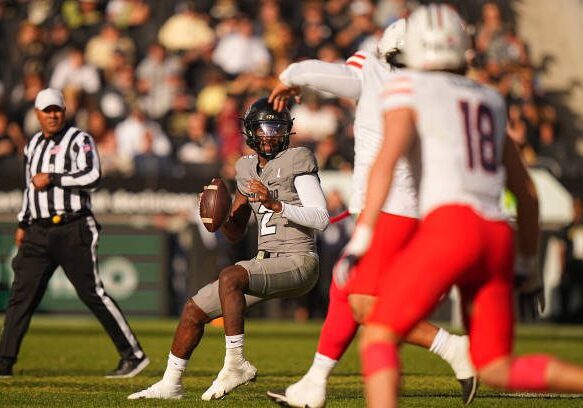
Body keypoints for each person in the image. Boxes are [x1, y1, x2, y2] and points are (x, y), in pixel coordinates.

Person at [347, 6, 583, 407]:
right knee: (495, 367)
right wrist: (527, 266)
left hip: (451, 227)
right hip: (497, 235)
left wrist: (361, 238)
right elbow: (526, 194)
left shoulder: (407, 88)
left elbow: (384, 163)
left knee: (378, 334)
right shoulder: (488, 99)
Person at [266, 19, 476, 408]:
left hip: (388, 211)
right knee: (344, 292)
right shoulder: (441, 88)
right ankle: (313, 383)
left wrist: (288, 76)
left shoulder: (376, 72)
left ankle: (453, 348)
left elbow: (317, 71)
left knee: (365, 305)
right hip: (415, 210)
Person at [127, 97, 330, 400]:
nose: (271, 134)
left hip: (299, 260)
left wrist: (277, 204)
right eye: (265, 128)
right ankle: (171, 383)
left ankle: (235, 364)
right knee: (194, 309)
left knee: (230, 276)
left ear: (287, 131)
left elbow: (322, 218)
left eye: (277, 128)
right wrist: (219, 216)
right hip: (266, 263)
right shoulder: (246, 168)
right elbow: (235, 232)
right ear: (250, 132)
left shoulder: (297, 160)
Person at [0, 88, 148, 378]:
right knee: (21, 296)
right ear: (37, 114)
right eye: (47, 110)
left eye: (57, 109)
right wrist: (22, 221)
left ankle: (133, 355)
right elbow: (31, 188)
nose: (53, 115)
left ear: (64, 111)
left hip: (73, 226)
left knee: (92, 292)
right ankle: (4, 362)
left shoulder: (79, 139)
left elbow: (93, 176)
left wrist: (54, 177)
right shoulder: (32, 145)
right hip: (38, 230)